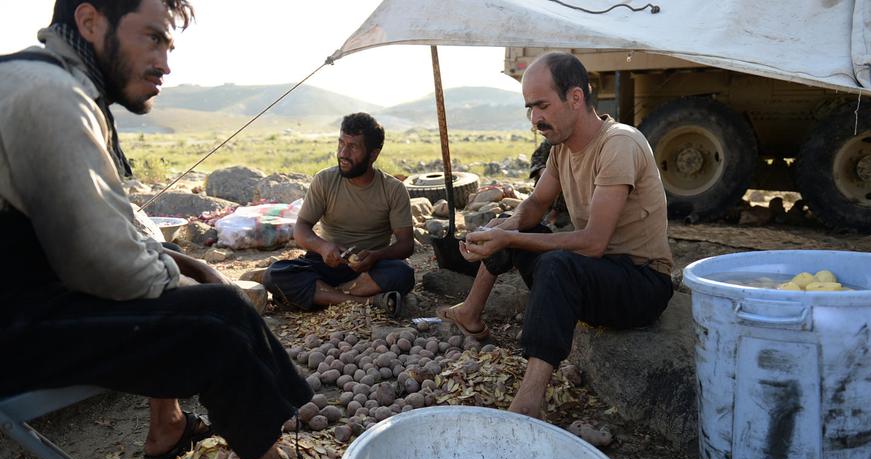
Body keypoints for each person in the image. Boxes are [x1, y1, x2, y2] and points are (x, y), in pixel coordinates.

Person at [0, 0, 366, 459]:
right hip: (13, 325)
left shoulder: (46, 80)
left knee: (171, 284)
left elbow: (115, 225)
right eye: (152, 38)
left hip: (24, 296)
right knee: (214, 320)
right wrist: (181, 276)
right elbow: (102, 261)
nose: (164, 63)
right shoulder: (50, 95)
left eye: (167, 44)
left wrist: (173, 263)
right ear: (91, 21)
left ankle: (167, 428)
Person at [437, 52, 674, 419]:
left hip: (641, 282)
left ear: (575, 98)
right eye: (530, 108)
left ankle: (531, 399)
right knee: (517, 225)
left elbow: (594, 242)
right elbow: (533, 206)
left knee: (556, 265)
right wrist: (495, 231)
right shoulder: (560, 148)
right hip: (595, 274)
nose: (535, 119)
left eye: (542, 106)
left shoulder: (619, 144)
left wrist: (510, 239)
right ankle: (472, 310)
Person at [257, 113, 415, 317]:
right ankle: (367, 301)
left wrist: (376, 255)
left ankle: (323, 296)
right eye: (341, 143)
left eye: (353, 147)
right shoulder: (324, 180)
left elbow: (406, 244)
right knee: (276, 273)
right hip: (326, 264)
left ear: (373, 154)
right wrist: (323, 248)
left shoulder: (393, 189)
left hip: (369, 269)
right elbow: (301, 228)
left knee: (403, 273)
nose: (343, 153)